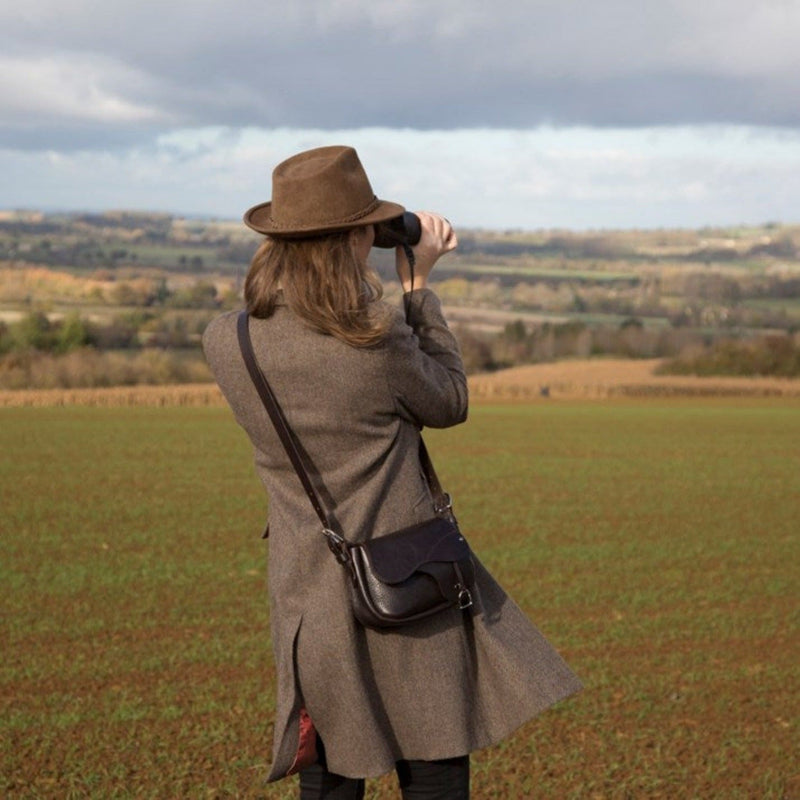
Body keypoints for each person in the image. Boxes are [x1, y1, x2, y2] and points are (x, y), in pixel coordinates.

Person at [202, 145, 581, 799]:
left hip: (307, 594)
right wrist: (418, 289)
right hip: (406, 584)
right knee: (433, 766)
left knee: (328, 777)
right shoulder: (373, 339)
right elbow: (449, 401)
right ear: (355, 239)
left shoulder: (228, 341)